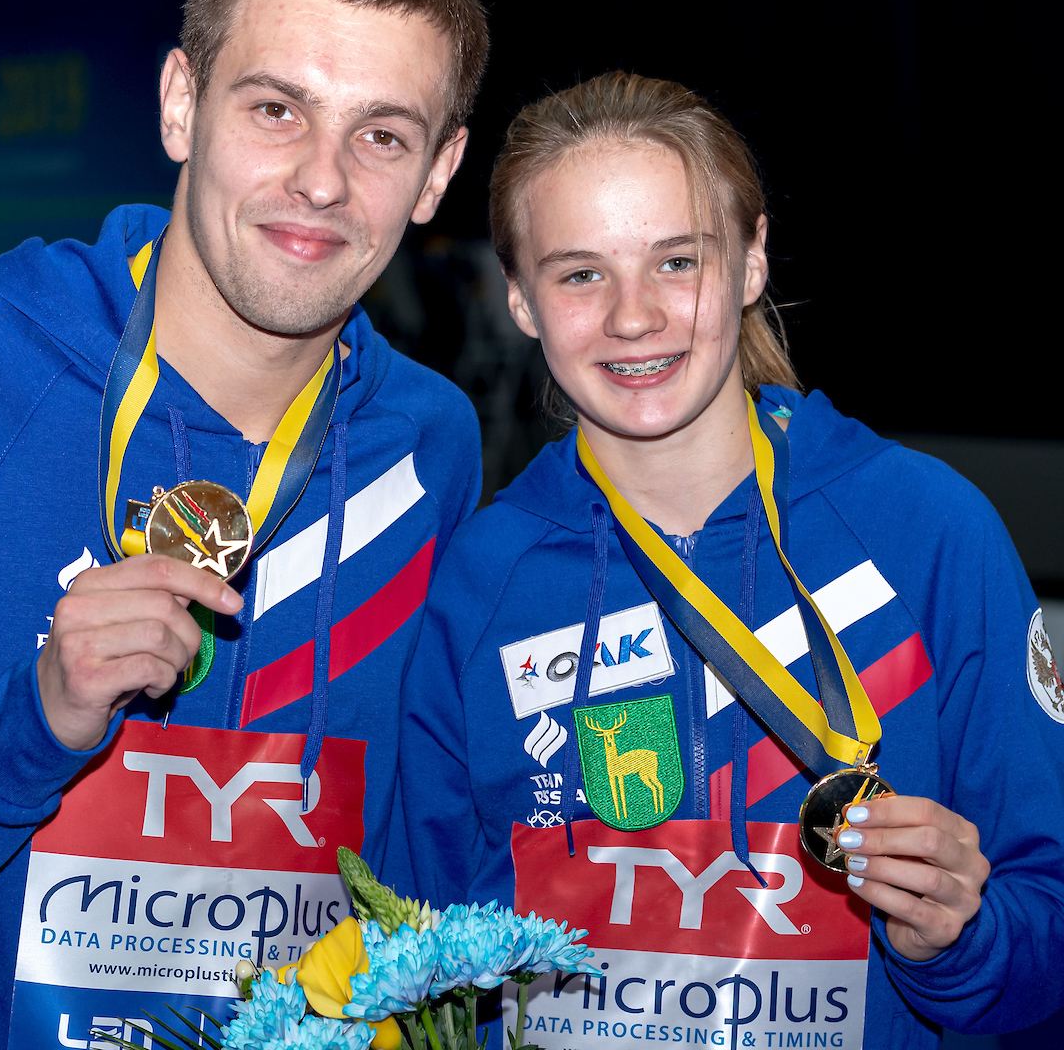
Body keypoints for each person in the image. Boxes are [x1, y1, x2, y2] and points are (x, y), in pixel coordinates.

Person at [0, 0, 488, 1048]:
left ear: (439, 173)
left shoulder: (426, 445)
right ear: (181, 104)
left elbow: (411, 843)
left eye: (382, 136)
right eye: (276, 110)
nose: (322, 180)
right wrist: (35, 716)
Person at [396, 72, 1064, 1049]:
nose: (633, 317)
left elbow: (1046, 927)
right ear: (520, 298)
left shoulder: (927, 532)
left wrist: (959, 940)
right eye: (580, 274)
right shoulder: (482, 583)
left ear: (752, 261)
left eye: (677, 261)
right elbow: (419, 951)